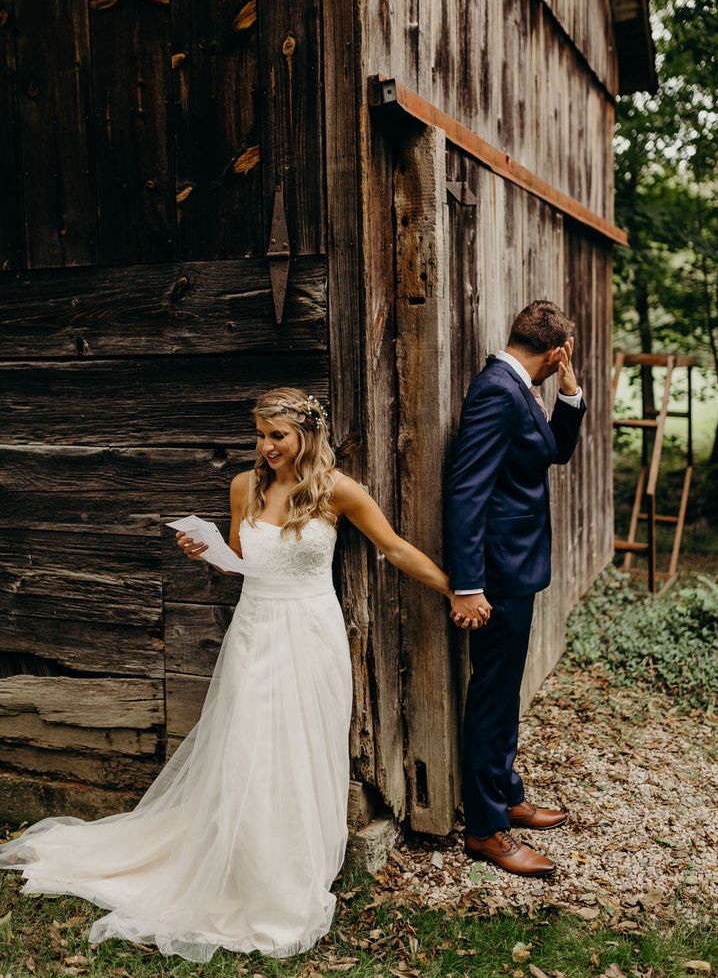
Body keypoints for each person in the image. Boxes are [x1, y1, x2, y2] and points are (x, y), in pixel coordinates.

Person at [0, 387, 452, 962]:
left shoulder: (338, 491)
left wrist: (455, 588)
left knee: (298, 749)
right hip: (254, 630)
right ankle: (242, 866)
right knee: (246, 748)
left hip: (310, 633)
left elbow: (393, 547)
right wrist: (203, 551)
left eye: (277, 437)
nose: (266, 447)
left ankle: (287, 871)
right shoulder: (245, 486)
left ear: (306, 435)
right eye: (260, 435)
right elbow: (241, 559)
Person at [444, 300, 587, 878]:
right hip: (495, 577)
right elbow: (466, 492)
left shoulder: (519, 383)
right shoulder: (497, 391)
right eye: (565, 360)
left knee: (503, 696)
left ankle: (506, 793)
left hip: (515, 569)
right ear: (556, 351)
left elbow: (552, 450)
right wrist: (468, 585)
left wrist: (570, 392)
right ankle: (485, 829)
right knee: (491, 698)